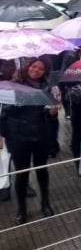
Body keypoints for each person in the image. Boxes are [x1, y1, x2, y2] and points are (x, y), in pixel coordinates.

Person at [0, 59, 58, 224]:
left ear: (44, 71)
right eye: (34, 66)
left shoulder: (47, 87)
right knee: (21, 174)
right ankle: (21, 209)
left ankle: (45, 203)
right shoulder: (15, 85)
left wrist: (52, 112)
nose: (36, 70)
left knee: (42, 171)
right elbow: (5, 112)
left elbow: (50, 113)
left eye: (41, 68)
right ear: (28, 67)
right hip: (19, 137)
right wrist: (18, 103)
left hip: (41, 136)